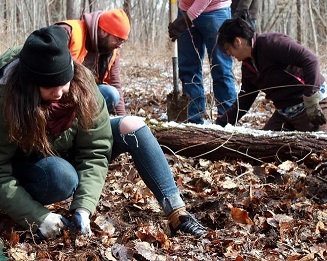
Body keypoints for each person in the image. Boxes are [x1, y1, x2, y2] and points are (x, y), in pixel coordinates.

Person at [0, 26, 207, 239]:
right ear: (30, 84)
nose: (60, 92)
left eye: (64, 83)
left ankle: (177, 213)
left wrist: (83, 208)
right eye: (50, 87)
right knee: (60, 176)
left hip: (68, 150)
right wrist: (38, 217)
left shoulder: (82, 84)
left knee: (132, 126)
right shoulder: (6, 96)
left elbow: (95, 150)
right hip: (28, 165)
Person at [165, 0, 237, 124]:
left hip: (216, 9)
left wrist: (187, 19)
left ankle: (228, 122)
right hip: (186, 5)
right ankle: (194, 120)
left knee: (221, 67)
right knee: (188, 68)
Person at [215, 17, 327, 132]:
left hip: (315, 104)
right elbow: (245, 100)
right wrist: (219, 124)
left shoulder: (271, 43)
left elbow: (310, 60)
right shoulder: (248, 67)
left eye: (227, 48)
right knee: (261, 149)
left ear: (237, 41)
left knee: (320, 145)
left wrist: (311, 101)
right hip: (285, 114)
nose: (227, 54)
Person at [55, 9, 130, 115]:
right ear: (104, 31)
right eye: (119, 39)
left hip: (84, 95)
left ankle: (83, 124)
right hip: (59, 93)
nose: (120, 45)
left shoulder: (112, 49)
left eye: (123, 41)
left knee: (112, 94)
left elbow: (115, 83)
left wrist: (123, 119)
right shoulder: (68, 31)